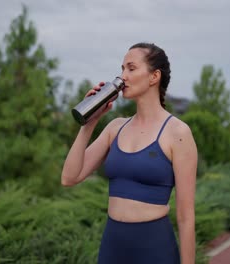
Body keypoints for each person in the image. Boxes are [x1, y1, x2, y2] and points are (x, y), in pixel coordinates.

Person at [61, 42, 197, 264]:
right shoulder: (115, 128)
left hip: (154, 249)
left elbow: (185, 216)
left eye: (131, 68)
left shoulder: (178, 133)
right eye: (122, 68)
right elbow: (69, 177)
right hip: (112, 248)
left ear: (154, 77)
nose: (123, 76)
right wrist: (89, 122)